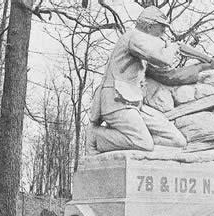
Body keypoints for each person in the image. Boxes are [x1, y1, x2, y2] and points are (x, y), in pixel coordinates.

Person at [87, 6, 207, 154]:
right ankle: (97, 136)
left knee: (177, 141)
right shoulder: (134, 37)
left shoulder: (141, 51)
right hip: (116, 102)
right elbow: (164, 60)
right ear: (150, 26)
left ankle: (136, 142)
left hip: (134, 103)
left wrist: (202, 67)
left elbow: (167, 76)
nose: (163, 33)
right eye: (162, 28)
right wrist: (174, 47)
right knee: (143, 143)